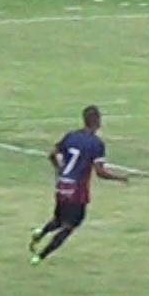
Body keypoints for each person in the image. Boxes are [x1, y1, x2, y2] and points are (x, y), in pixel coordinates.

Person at [29, 105, 129, 264]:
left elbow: (52, 154)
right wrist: (119, 178)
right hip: (77, 190)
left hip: (62, 185)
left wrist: (59, 170)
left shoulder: (71, 136)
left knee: (59, 219)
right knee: (70, 225)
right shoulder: (96, 144)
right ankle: (40, 256)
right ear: (97, 121)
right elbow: (100, 172)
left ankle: (41, 232)